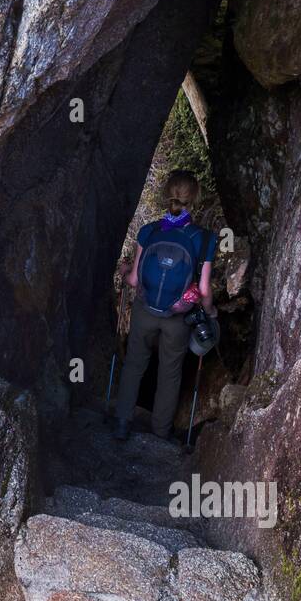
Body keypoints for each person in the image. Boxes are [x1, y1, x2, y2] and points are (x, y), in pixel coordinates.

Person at [113, 170, 217, 442]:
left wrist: (124, 271)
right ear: (194, 199)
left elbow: (135, 279)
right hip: (178, 316)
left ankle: (122, 422)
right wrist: (211, 311)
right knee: (170, 372)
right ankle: (160, 433)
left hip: (145, 310)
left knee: (134, 363)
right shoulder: (204, 239)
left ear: (165, 195)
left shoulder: (149, 231)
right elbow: (204, 289)